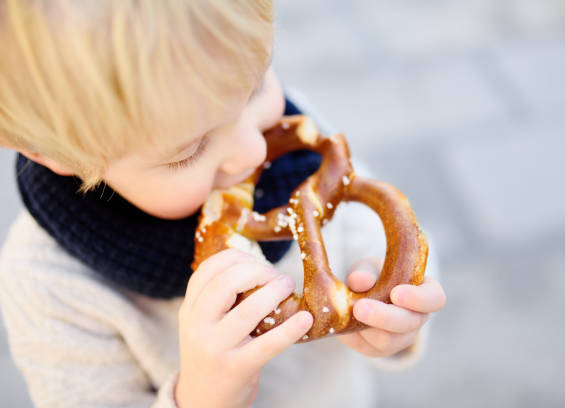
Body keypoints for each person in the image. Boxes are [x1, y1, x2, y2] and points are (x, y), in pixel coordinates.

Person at [0, 1, 446, 407]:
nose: (253, 150)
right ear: (58, 154)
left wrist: (394, 322)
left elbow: (372, 239)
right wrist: (199, 397)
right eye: (188, 151)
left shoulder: (298, 144)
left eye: (255, 88)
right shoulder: (48, 284)